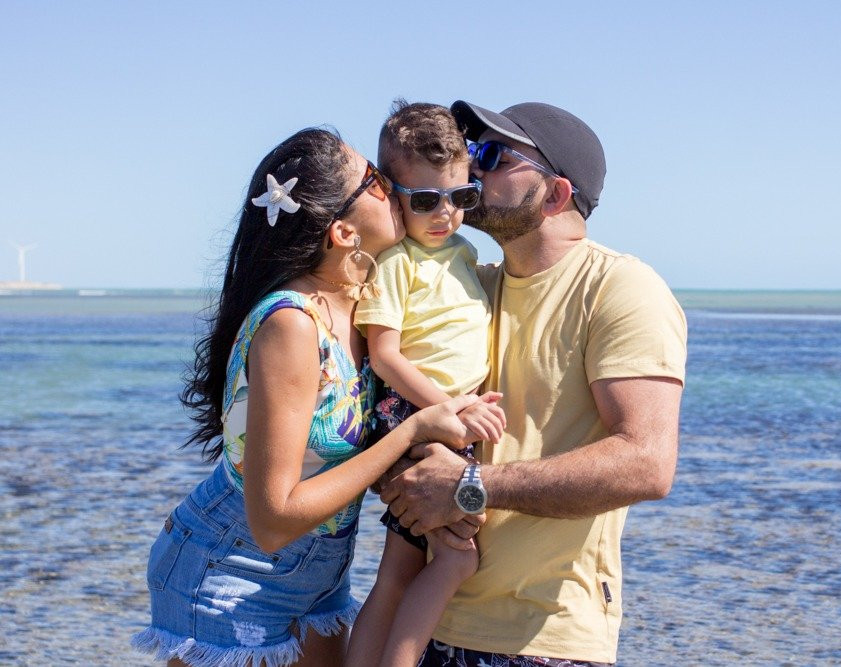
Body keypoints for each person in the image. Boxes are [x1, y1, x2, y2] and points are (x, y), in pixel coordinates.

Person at [131, 127, 502, 667]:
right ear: (344, 233)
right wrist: (415, 430)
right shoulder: (292, 324)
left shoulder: (366, 309)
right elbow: (274, 517)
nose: (394, 187)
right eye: (377, 182)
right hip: (230, 576)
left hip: (319, 575)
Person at [380, 101, 688, 666]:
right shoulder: (465, 284)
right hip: (430, 624)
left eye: (494, 155)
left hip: (543, 641)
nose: (470, 167)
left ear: (557, 195)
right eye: (472, 151)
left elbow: (648, 462)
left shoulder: (622, 288)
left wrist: (470, 486)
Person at [347, 100, 504, 667]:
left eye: (462, 197)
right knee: (454, 559)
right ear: (392, 194)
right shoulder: (397, 263)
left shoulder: (466, 253)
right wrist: (451, 408)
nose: (446, 214)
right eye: (425, 200)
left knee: (401, 569)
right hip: (412, 414)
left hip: (445, 419)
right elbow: (385, 356)